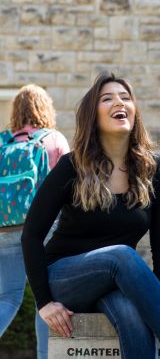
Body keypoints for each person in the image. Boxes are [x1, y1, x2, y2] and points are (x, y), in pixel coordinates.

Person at [21, 71, 160, 359]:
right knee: (120, 255)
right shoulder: (74, 166)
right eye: (107, 98)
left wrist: (159, 305)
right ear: (93, 115)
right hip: (65, 278)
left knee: (133, 316)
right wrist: (43, 301)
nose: (119, 102)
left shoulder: (153, 168)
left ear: (134, 110)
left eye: (125, 97)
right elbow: (31, 234)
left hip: (115, 281)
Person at [0, 84, 70, 359]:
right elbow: (70, 188)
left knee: (7, 297)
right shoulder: (53, 140)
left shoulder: (3, 142)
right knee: (48, 299)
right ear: (46, 108)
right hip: (43, 229)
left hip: (4, 228)